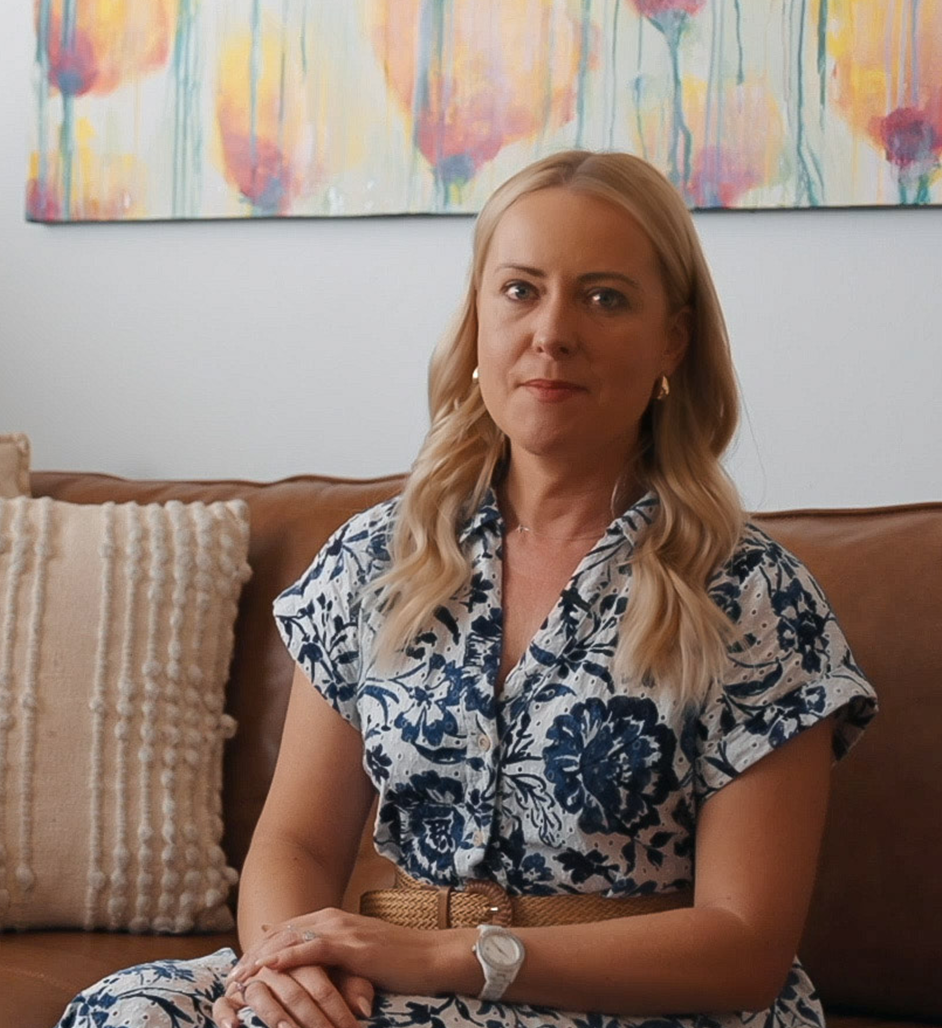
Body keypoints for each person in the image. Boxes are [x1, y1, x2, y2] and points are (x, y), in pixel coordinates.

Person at [56, 149, 878, 1028]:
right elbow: (294, 841)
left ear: (671, 340)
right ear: (479, 320)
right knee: (133, 1010)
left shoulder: (752, 598)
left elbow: (742, 946)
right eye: (521, 290)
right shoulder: (379, 558)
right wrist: (289, 975)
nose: (551, 331)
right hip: (392, 991)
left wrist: (451, 957)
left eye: (604, 297)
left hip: (627, 1005)